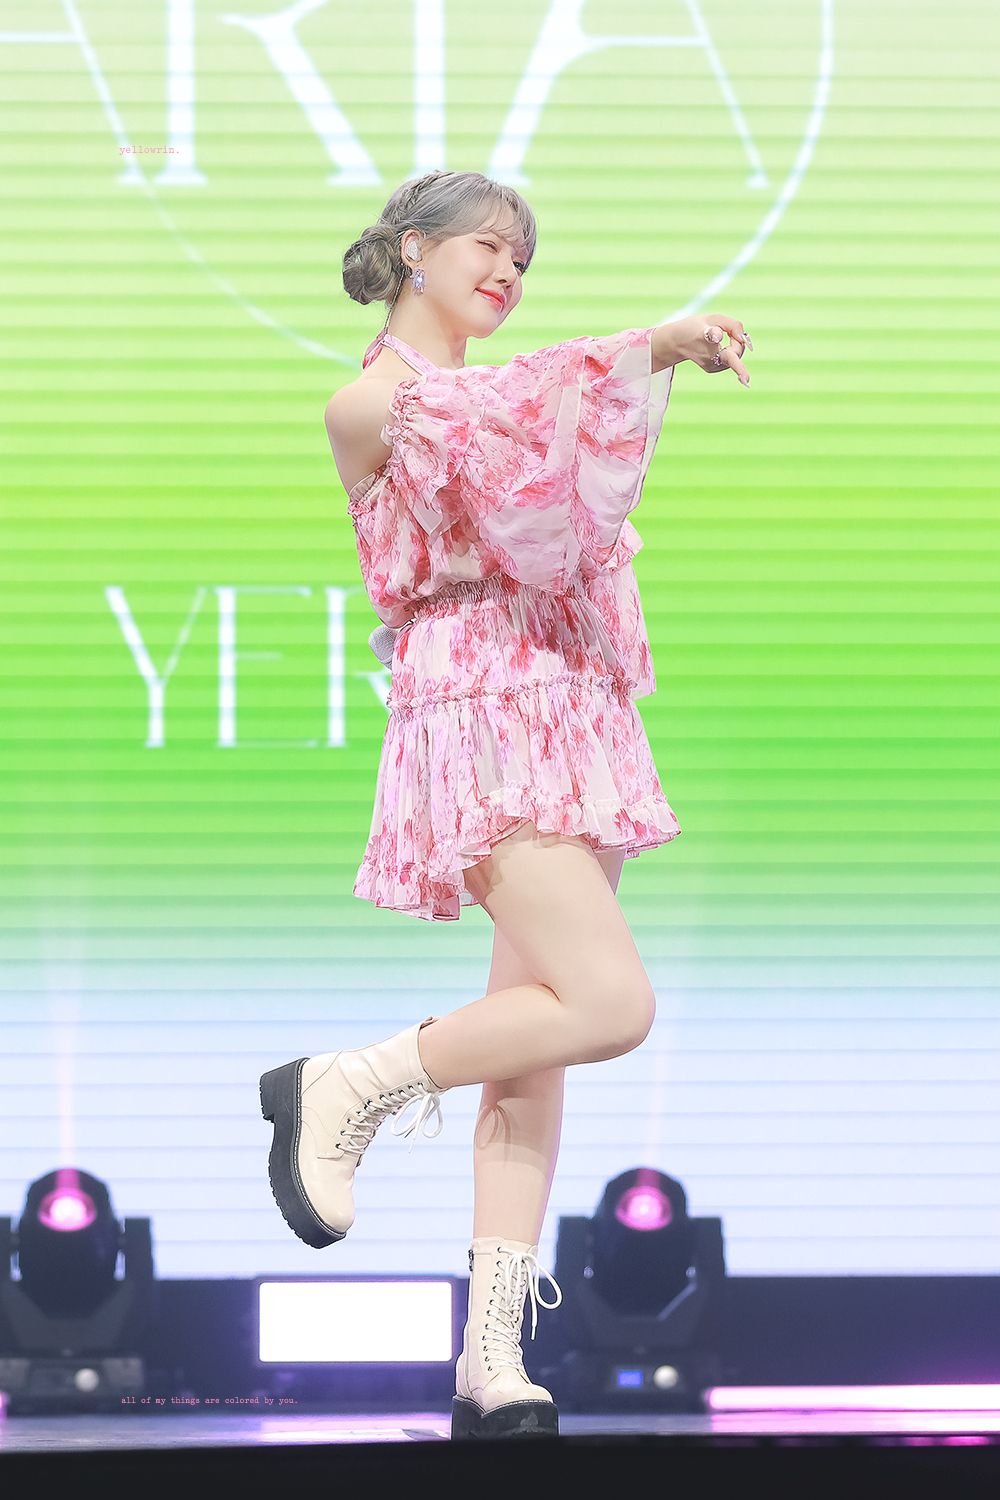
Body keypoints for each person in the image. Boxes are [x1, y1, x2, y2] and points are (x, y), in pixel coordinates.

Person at [260, 171, 750, 1440]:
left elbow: (535, 416)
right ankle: (348, 1082)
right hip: (479, 706)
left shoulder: (511, 405)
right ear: (413, 249)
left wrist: (646, 355)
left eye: (523, 258)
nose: (509, 272)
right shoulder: (373, 403)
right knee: (611, 1004)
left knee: (533, 1048)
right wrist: (655, 343)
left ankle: (490, 1359)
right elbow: (516, 405)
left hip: (574, 700)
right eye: (488, 246)